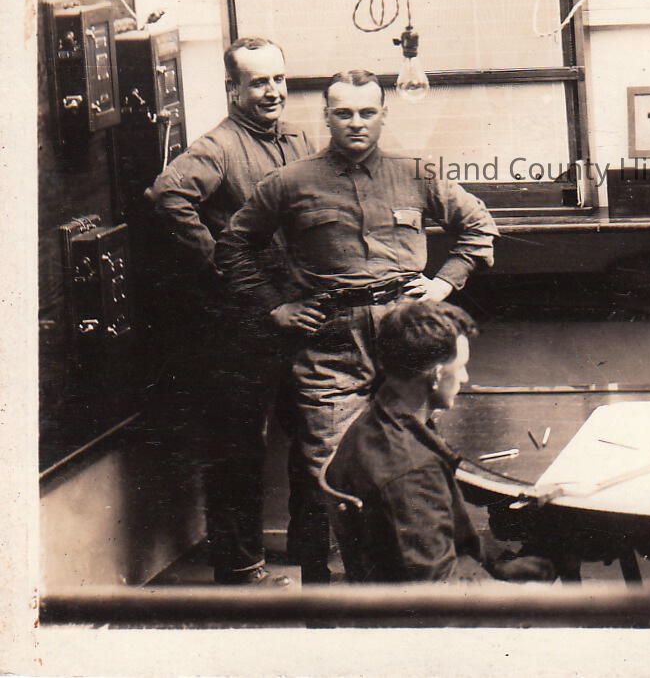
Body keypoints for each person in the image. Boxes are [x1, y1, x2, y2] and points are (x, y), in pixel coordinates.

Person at [217, 68, 498, 583]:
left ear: (383, 115)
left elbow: (478, 227)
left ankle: (417, 585)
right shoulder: (289, 183)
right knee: (328, 469)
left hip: (404, 335)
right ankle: (327, 593)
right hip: (330, 341)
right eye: (343, 113)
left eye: (367, 112)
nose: (356, 123)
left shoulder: (416, 173)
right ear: (326, 117)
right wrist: (275, 306)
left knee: (413, 452)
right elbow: (233, 247)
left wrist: (442, 285)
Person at [146, 36, 315, 586]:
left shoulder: (298, 139)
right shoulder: (218, 146)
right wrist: (218, 263)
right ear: (232, 89)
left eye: (278, 79)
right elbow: (167, 195)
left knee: (312, 429)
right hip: (241, 321)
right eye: (258, 82)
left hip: (296, 308)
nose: (273, 92)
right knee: (238, 446)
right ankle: (241, 568)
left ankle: (309, 548)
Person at [326, 301, 551, 583]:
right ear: (435, 375)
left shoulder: (381, 417)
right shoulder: (411, 470)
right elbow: (437, 591)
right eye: (461, 367)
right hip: (435, 601)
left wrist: (498, 560)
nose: (465, 378)